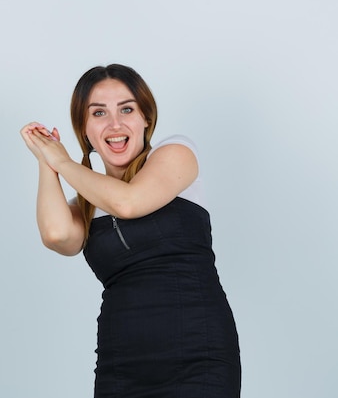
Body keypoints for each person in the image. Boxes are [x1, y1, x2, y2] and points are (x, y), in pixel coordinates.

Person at [20, 64, 241, 397]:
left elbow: (128, 203)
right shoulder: (87, 201)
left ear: (146, 118)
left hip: (199, 354)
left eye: (127, 109)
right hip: (121, 364)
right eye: (98, 113)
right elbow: (57, 236)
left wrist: (63, 161)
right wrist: (45, 159)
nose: (115, 124)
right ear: (85, 128)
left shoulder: (176, 154)